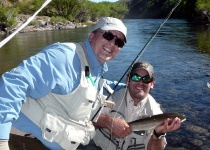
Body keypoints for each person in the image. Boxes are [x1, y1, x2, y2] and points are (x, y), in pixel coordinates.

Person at [0, 17, 127, 150]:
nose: (112, 43)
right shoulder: (65, 57)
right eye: (108, 35)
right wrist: (1, 141)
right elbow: (12, 83)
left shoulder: (95, 70)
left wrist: (133, 85)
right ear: (91, 36)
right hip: (23, 141)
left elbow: (96, 85)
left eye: (119, 42)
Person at [92, 61, 182, 150]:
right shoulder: (111, 95)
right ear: (128, 80)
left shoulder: (155, 112)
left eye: (146, 79)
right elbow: (85, 117)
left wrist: (158, 135)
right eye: (136, 77)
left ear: (152, 84)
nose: (140, 82)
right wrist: (108, 122)